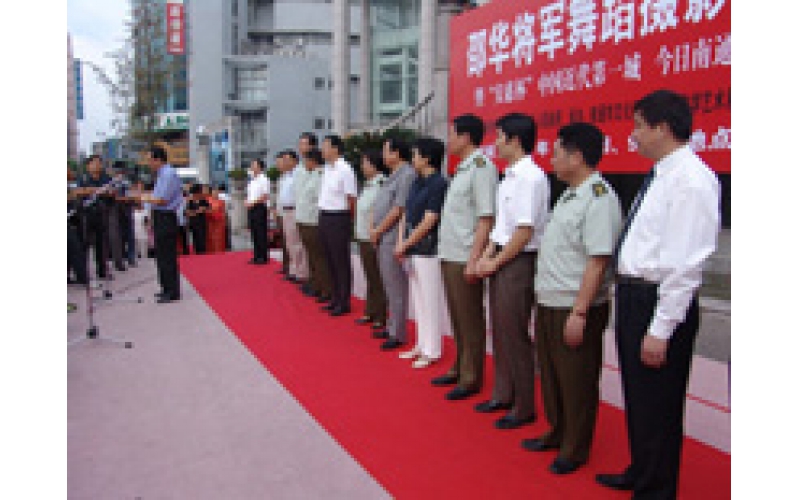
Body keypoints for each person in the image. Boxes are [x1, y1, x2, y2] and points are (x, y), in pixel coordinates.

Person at [595, 90, 721, 499]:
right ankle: (642, 470)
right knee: (639, 396)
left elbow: (684, 264)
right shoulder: (661, 175)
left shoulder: (691, 180)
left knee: (660, 402)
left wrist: (662, 327)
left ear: (662, 128)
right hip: (635, 296)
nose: (633, 136)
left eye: (638, 126)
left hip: (658, 300)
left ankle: (658, 488)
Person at [522, 123, 622, 475]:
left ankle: (575, 447)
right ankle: (557, 430)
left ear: (576, 156)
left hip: (574, 304)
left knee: (576, 378)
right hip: (551, 298)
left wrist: (580, 312)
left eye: (556, 153)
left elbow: (598, 261)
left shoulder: (599, 198)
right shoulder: (568, 195)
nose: (551, 160)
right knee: (551, 375)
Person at [475, 113, 549, 430]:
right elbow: (502, 227)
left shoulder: (531, 177)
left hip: (519, 260)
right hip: (502, 257)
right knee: (501, 329)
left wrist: (495, 261)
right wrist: (486, 254)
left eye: (500, 136)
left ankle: (524, 406)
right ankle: (503, 394)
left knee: (515, 332)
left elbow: (524, 231)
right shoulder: (509, 176)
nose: (496, 142)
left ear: (515, 140)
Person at [433, 114, 498, 402]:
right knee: (458, 316)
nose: (449, 140)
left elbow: (486, 217)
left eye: (452, 134)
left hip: (465, 254)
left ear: (466, 137)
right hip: (451, 251)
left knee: (470, 317)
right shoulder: (462, 168)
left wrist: (474, 258)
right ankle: (460, 366)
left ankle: (471, 376)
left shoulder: (482, 168)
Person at [394, 137, 449, 367]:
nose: (413, 159)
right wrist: (401, 242)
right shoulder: (416, 181)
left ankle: (432, 350)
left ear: (427, 158)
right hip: (411, 247)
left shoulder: (439, 184)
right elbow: (405, 214)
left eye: (416, 155)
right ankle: (421, 343)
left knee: (430, 300)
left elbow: (430, 220)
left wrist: (406, 244)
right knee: (418, 300)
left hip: (428, 249)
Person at [370, 138, 416, 346]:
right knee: (389, 284)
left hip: (392, 235)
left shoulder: (406, 175)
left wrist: (378, 230)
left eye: (386, 150)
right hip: (383, 235)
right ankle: (392, 326)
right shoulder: (393, 175)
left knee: (396, 286)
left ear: (397, 153)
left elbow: (398, 209)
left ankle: (397, 333)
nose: (383, 155)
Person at [317, 135, 358, 316]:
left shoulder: (345, 169)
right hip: (325, 215)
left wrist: (349, 221)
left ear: (335, 149)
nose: (322, 150)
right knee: (329, 259)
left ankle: (344, 300)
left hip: (339, 217)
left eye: (325, 146)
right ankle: (335, 297)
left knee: (341, 260)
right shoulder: (327, 168)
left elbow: (351, 198)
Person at [139, 145, 185, 303]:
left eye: (150, 160)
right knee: (161, 254)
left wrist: (145, 198)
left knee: (167, 255)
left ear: (158, 159)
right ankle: (165, 287)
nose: (149, 164)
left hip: (166, 216)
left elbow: (163, 199)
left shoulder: (168, 174)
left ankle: (172, 291)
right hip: (159, 216)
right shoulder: (161, 175)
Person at [354, 150, 388, 333]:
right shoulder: (368, 185)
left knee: (377, 277)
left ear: (375, 165)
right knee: (370, 276)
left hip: (373, 237)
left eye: (365, 163)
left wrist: (376, 233)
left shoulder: (382, 184)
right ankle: (370, 310)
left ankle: (380, 315)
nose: (363, 167)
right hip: (362, 236)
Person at [296, 147, 332, 303]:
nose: (305, 163)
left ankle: (326, 289)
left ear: (313, 161)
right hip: (304, 220)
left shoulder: (321, 176)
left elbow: (319, 200)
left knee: (319, 257)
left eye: (307, 160)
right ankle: (316, 284)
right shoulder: (311, 175)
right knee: (311, 256)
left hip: (313, 222)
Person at [75, 155, 113, 280]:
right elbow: (77, 192)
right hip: (86, 213)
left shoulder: (106, 178)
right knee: (84, 243)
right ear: (88, 165)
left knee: (102, 243)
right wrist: (92, 190)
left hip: (101, 212)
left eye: (99, 163)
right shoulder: (83, 178)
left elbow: (113, 192)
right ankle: (82, 273)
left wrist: (108, 192)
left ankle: (102, 270)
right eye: (94, 163)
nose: (97, 165)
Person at [277, 150, 309, 283]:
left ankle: (302, 272)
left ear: (294, 161)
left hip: (295, 210)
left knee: (297, 243)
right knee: (290, 243)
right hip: (285, 211)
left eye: (287, 160)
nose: (284, 162)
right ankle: (293, 269)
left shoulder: (299, 174)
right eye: (283, 160)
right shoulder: (286, 176)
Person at [246, 159, 272, 264]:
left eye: (254, 165)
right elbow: (250, 195)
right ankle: (256, 255)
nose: (252, 167)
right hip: (251, 207)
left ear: (260, 167)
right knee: (254, 232)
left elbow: (265, 196)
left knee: (261, 232)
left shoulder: (264, 179)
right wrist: (247, 201)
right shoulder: (252, 180)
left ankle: (263, 256)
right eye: (252, 165)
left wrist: (253, 203)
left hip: (260, 207)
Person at [185, 183, 210, 254]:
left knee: (202, 239)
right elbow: (187, 212)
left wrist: (204, 209)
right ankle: (197, 252)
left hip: (202, 222)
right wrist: (196, 211)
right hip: (193, 223)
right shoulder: (190, 201)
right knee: (195, 239)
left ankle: (202, 252)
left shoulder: (203, 200)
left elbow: (208, 208)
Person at [206, 184, 227, 253]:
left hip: (219, 223)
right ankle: (210, 251)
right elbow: (206, 211)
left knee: (219, 238)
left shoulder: (221, 201)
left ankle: (220, 251)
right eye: (214, 191)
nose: (215, 192)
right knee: (210, 238)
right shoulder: (207, 200)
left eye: (217, 191)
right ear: (211, 192)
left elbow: (223, 212)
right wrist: (211, 214)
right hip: (210, 222)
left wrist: (221, 218)